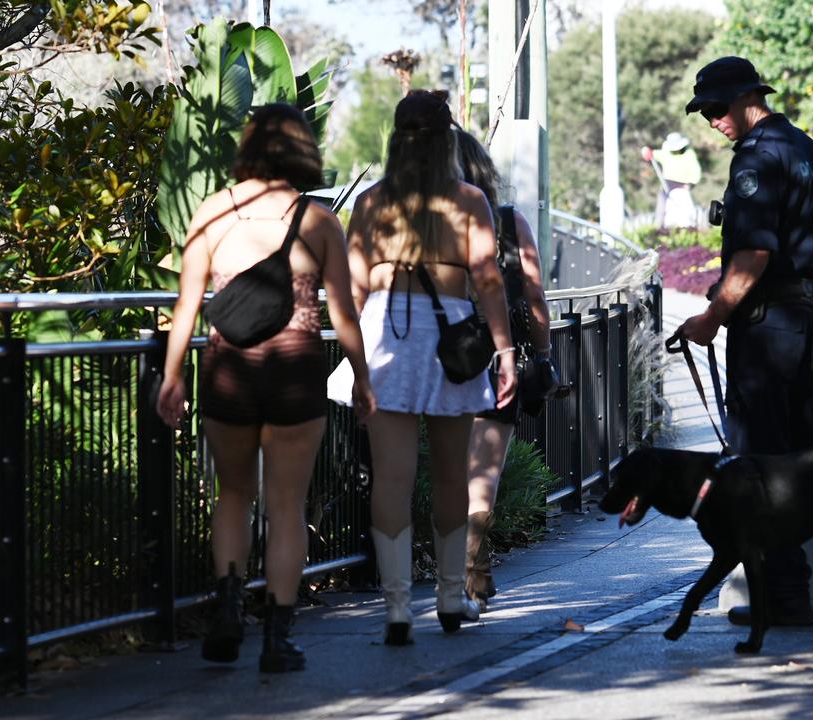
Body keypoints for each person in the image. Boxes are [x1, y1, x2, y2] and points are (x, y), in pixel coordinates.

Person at [156, 103, 375, 673]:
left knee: (232, 496)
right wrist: (364, 378)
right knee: (285, 505)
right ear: (303, 149)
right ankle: (277, 637)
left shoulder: (211, 213)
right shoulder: (319, 220)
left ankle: (227, 611)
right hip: (296, 367)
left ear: (248, 146)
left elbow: (187, 305)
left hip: (229, 365)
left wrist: (174, 374)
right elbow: (343, 313)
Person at [326, 91, 517, 645]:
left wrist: (357, 365)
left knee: (392, 475)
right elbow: (487, 280)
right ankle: (452, 596)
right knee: (452, 471)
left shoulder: (370, 203)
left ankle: (397, 607)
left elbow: (354, 290)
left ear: (395, 138)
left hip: (387, 328)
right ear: (447, 138)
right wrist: (504, 352)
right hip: (449, 333)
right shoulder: (469, 201)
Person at [673, 57, 813, 625]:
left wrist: (710, 317)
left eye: (717, 107)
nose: (711, 120)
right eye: (704, 112)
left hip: (768, 330)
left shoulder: (757, 157)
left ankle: (785, 598)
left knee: (765, 466)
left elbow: (753, 253)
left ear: (749, 97)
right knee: (812, 462)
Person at [454, 128, 556, 612]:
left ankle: (451, 571)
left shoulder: (422, 222)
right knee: (484, 471)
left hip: (440, 356)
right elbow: (533, 295)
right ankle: (475, 567)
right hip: (499, 359)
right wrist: (541, 353)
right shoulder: (509, 223)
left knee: (443, 466)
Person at [640, 132, 703, 229]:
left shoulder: (689, 154)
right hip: (667, 188)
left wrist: (691, 184)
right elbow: (652, 154)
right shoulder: (666, 153)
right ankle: (659, 230)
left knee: (686, 216)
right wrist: (647, 152)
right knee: (662, 214)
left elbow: (696, 172)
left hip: (683, 188)